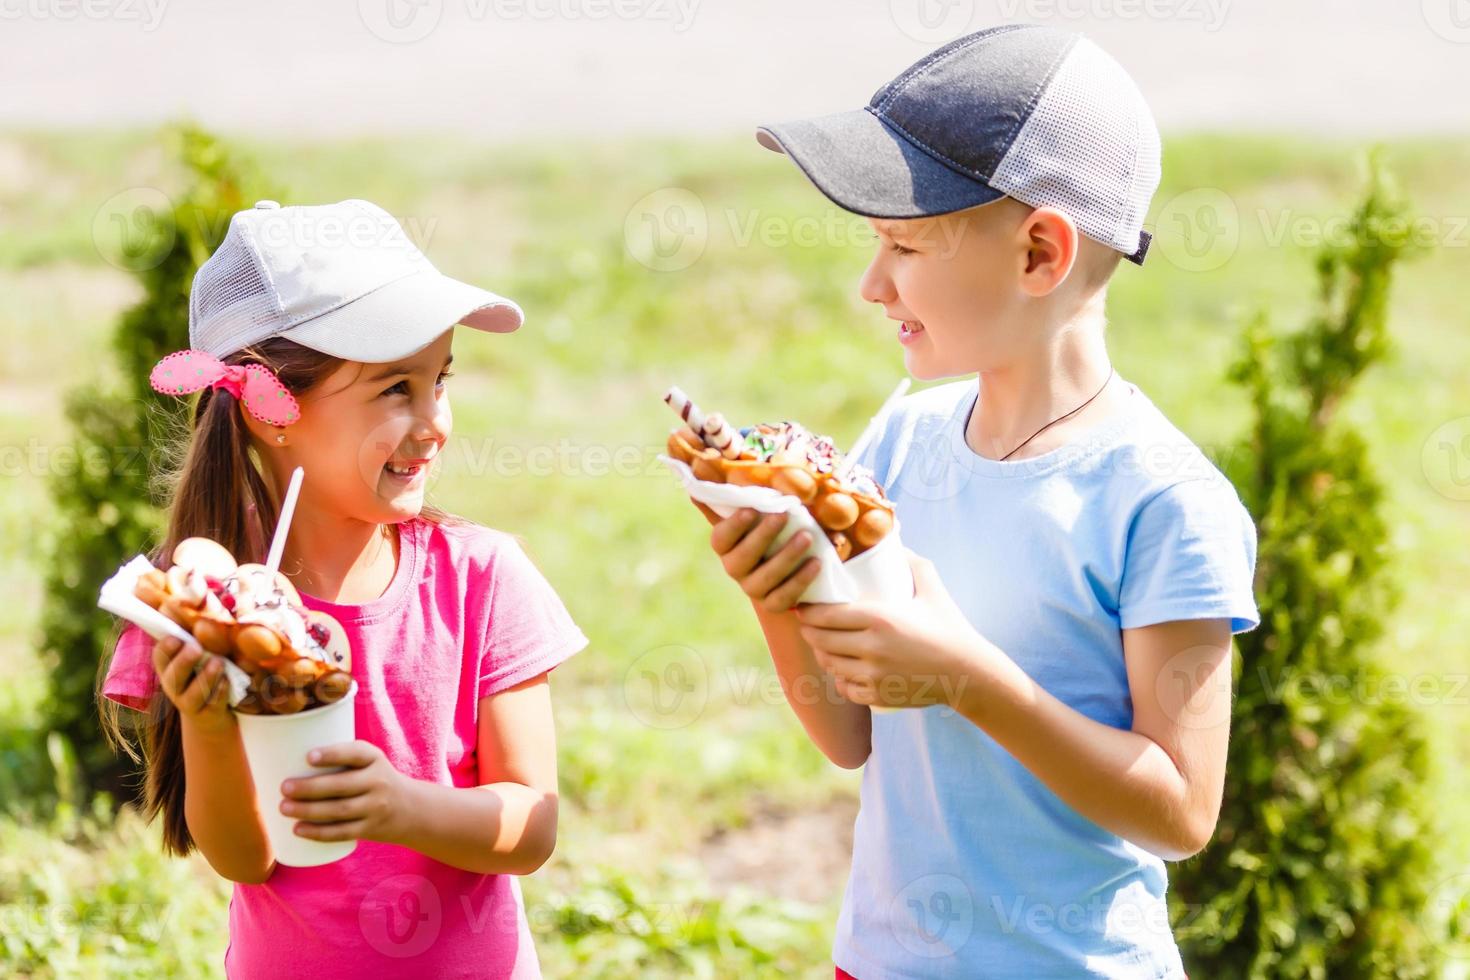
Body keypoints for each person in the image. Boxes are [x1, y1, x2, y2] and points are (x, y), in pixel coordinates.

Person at [702, 26, 1258, 979]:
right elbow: (849, 735)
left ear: (1041, 252)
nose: (871, 284)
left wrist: (971, 680)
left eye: (905, 244)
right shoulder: (901, 445)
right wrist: (776, 594)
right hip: (881, 960)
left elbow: (1179, 812)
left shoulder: (1162, 502)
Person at [99, 199, 587, 978]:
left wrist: (402, 807)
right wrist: (209, 721)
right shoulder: (204, 610)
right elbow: (245, 859)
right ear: (272, 412)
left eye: (439, 380)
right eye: (396, 388)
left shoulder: (482, 579)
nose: (433, 422)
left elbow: (532, 826)